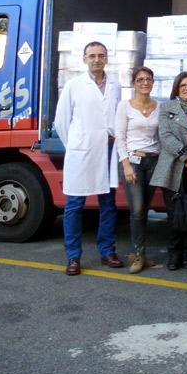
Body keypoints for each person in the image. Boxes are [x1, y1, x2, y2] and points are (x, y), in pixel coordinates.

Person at [55, 41, 123, 276]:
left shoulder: (115, 84)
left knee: (108, 204)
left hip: (107, 149)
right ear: (84, 59)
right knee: (74, 205)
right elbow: (61, 122)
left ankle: (107, 251)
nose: (97, 59)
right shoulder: (73, 85)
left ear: (106, 58)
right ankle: (73, 256)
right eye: (92, 55)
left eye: (101, 55)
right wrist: (75, 145)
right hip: (81, 151)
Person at [150, 71, 187, 271]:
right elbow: (165, 135)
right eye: (183, 85)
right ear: (177, 89)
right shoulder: (167, 108)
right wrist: (186, 154)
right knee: (174, 215)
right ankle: (174, 255)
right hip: (173, 167)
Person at [115, 66, 160, 273]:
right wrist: (125, 164)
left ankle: (139, 254)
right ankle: (139, 254)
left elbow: (162, 137)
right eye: (140, 79)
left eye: (148, 79)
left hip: (153, 161)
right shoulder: (125, 106)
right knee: (138, 208)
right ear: (133, 83)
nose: (145, 82)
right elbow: (120, 137)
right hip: (133, 161)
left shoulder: (160, 106)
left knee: (145, 209)